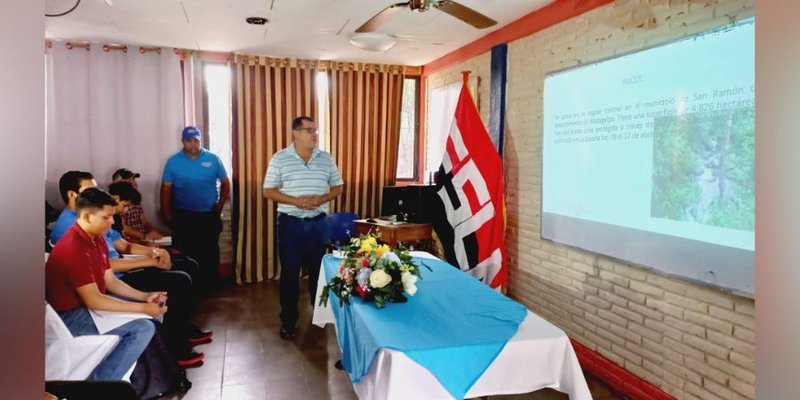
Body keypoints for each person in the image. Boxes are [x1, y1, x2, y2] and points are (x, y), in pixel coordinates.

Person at [51, 172, 209, 366]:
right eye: (108, 217)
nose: (113, 222)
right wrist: (143, 304)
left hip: (100, 292)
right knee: (151, 316)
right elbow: (94, 295)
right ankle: (170, 352)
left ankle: (175, 341)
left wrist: (147, 288)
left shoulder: (95, 230)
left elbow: (113, 267)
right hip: (76, 312)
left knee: (177, 277)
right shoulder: (73, 235)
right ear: (73, 196)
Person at [45, 187, 163, 380]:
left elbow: (110, 281)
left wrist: (146, 297)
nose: (112, 221)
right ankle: (100, 387)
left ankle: (144, 381)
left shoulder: (96, 239)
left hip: (87, 308)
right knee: (143, 328)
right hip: (70, 317)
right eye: (106, 217)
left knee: (155, 315)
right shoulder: (73, 248)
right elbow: (94, 300)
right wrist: (142, 308)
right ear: (87, 216)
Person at [263, 116, 343, 340]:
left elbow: (338, 186)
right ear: (295, 133)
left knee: (319, 273)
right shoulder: (280, 158)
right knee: (289, 275)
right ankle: (288, 322)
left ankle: (320, 317)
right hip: (291, 225)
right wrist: (296, 201)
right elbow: (268, 191)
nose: (314, 134)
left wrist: (324, 197)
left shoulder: (325, 158)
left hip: (319, 223)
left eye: (315, 130)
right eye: (309, 130)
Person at [160, 126, 230, 293]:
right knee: (187, 251)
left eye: (196, 140)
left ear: (201, 140)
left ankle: (211, 284)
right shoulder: (173, 161)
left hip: (208, 215)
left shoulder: (213, 159)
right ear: (183, 142)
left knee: (210, 250)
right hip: (184, 215)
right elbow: (165, 189)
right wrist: (167, 214)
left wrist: (220, 204)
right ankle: (191, 286)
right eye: (189, 140)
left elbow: (226, 182)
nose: (193, 144)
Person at [111, 168, 164, 241]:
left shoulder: (135, 199)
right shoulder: (113, 205)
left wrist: (152, 232)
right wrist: (145, 237)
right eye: (129, 180)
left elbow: (144, 221)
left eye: (134, 179)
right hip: (132, 240)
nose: (134, 183)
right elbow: (123, 229)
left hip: (143, 238)